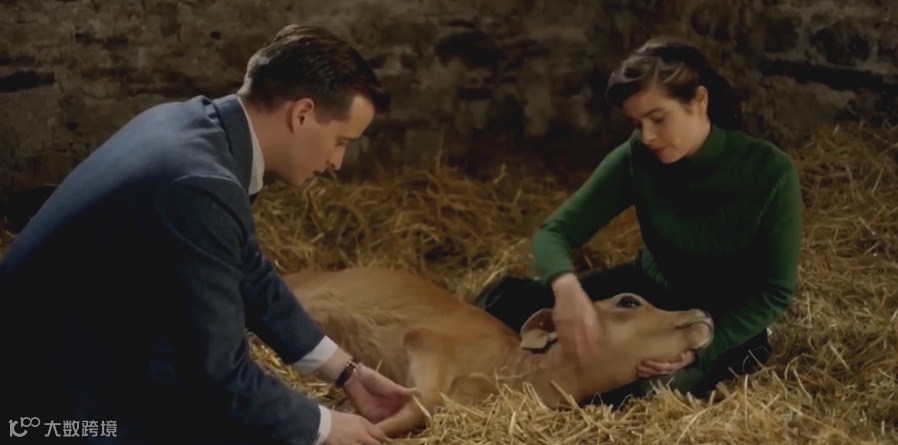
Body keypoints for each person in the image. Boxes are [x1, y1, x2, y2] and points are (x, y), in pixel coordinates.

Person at [1, 24, 414, 445]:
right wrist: (324, 427)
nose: (337, 162)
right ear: (302, 114)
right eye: (341, 141)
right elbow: (221, 379)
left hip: (60, 358)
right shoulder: (200, 184)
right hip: (46, 413)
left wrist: (346, 372)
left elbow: (247, 271)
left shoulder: (187, 123)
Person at [474, 35, 803, 406]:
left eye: (658, 119)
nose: (647, 136)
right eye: (636, 123)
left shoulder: (770, 172)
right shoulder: (639, 156)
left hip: (718, 320)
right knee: (503, 301)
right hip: (645, 296)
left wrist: (702, 350)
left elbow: (774, 292)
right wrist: (567, 290)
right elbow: (555, 231)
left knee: (639, 391)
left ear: (699, 100)